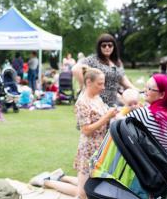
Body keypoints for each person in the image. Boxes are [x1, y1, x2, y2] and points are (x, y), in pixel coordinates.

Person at [30, 67, 118, 198]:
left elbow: (106, 115)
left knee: (90, 182)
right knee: (82, 194)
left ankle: (61, 177)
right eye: (100, 83)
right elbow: (86, 130)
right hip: (88, 149)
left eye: (103, 83)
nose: (103, 87)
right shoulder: (82, 103)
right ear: (88, 82)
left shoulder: (97, 97)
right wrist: (107, 117)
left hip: (100, 148)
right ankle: (46, 181)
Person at [72, 33, 136, 107]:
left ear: (114, 47)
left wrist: (136, 90)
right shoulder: (93, 59)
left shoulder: (117, 62)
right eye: (104, 45)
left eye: (110, 45)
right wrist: (84, 87)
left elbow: (123, 80)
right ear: (99, 47)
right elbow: (75, 69)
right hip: (98, 102)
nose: (107, 47)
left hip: (114, 101)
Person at [127, 74, 167, 156]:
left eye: (149, 88)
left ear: (162, 95)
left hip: (145, 166)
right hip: (162, 166)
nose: (144, 90)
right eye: (145, 87)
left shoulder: (145, 114)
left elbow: (117, 126)